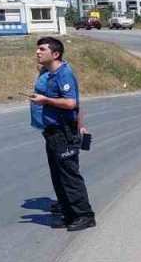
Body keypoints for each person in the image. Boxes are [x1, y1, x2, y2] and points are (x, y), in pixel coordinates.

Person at [27, 37, 96, 231]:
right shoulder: (50, 74)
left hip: (64, 132)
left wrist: (45, 100)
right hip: (52, 132)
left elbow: (71, 103)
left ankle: (84, 215)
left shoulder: (64, 74)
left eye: (42, 49)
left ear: (55, 54)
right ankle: (69, 214)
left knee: (69, 176)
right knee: (58, 176)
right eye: (37, 49)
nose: (37, 52)